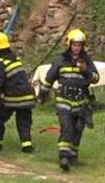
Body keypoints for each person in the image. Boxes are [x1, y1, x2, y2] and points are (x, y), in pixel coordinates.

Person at [38, 29, 99, 172]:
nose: (77, 48)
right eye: (75, 45)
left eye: (80, 45)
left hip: (81, 101)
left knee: (78, 129)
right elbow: (49, 78)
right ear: (69, 44)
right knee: (66, 127)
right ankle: (64, 157)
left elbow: (96, 78)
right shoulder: (60, 59)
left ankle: (73, 156)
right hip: (63, 99)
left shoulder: (86, 60)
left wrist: (85, 70)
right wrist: (42, 95)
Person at [0, 31, 37, 153]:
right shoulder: (15, 59)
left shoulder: (1, 62)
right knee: (24, 122)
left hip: (12, 98)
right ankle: (27, 146)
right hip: (27, 97)